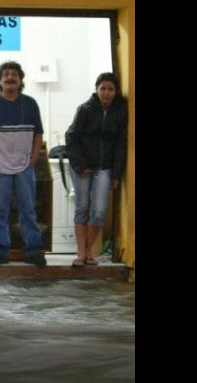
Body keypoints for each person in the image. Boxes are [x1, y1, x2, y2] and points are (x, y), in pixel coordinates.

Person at [0, 60, 47, 267]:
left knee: (28, 210)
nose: (10, 77)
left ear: (20, 79)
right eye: (6, 74)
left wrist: (33, 159)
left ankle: (33, 251)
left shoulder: (30, 104)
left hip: (25, 167)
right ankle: (1, 251)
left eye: (14, 74)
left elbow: (38, 134)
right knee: (0, 211)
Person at [65, 72, 128, 267]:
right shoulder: (85, 109)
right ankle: (82, 253)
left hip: (105, 168)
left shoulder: (121, 112)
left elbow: (121, 144)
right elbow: (71, 137)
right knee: (82, 208)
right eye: (103, 89)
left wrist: (116, 173)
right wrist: (80, 165)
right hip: (83, 168)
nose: (107, 93)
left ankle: (87, 251)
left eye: (111, 89)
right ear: (97, 89)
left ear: (115, 92)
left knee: (99, 212)